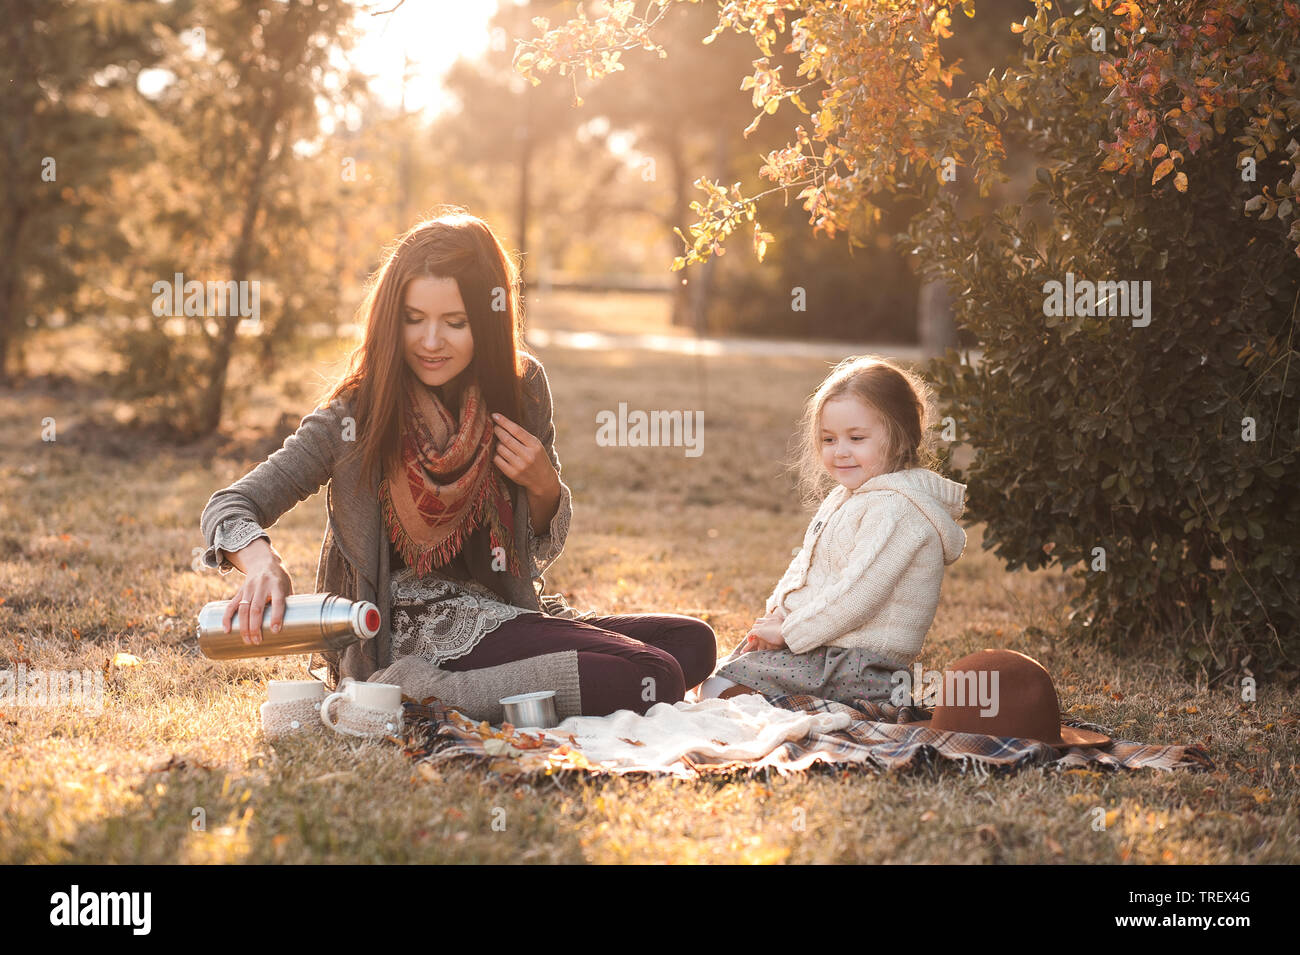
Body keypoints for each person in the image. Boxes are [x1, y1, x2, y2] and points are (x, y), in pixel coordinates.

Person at [198, 208, 715, 719]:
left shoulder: (521, 389)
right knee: (657, 675)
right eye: (413, 319)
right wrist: (263, 562)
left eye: (455, 322)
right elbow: (231, 504)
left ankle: (466, 689)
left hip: (502, 613)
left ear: (488, 321)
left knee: (691, 642)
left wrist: (543, 486)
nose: (430, 342)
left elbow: (540, 547)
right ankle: (413, 689)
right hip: (402, 629)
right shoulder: (359, 411)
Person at [698, 354, 967, 706]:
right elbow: (805, 568)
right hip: (823, 644)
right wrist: (778, 613)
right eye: (829, 439)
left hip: (861, 666)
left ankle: (800, 706)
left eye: (856, 438)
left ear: (901, 438)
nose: (840, 452)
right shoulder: (847, 497)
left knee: (719, 691)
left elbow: (856, 597)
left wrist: (788, 632)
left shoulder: (898, 511)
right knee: (717, 678)